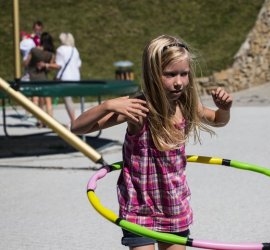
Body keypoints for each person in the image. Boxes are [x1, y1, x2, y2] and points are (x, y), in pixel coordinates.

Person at [71, 35, 232, 250]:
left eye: (184, 74)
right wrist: (107, 105)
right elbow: (77, 127)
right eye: (170, 74)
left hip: (174, 205)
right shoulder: (139, 109)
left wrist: (224, 108)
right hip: (139, 208)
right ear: (153, 74)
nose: (179, 82)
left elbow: (219, 121)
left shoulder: (186, 105)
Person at [43, 32, 82, 126]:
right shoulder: (74, 49)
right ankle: (73, 121)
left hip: (65, 78)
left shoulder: (61, 49)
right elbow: (79, 64)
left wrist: (46, 65)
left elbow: (58, 65)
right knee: (69, 99)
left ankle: (73, 122)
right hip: (75, 77)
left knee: (67, 99)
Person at [24, 32, 55, 127]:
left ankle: (39, 120)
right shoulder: (50, 54)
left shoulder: (33, 50)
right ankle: (50, 121)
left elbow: (25, 63)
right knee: (47, 100)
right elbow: (50, 67)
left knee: (36, 100)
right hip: (44, 78)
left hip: (33, 78)